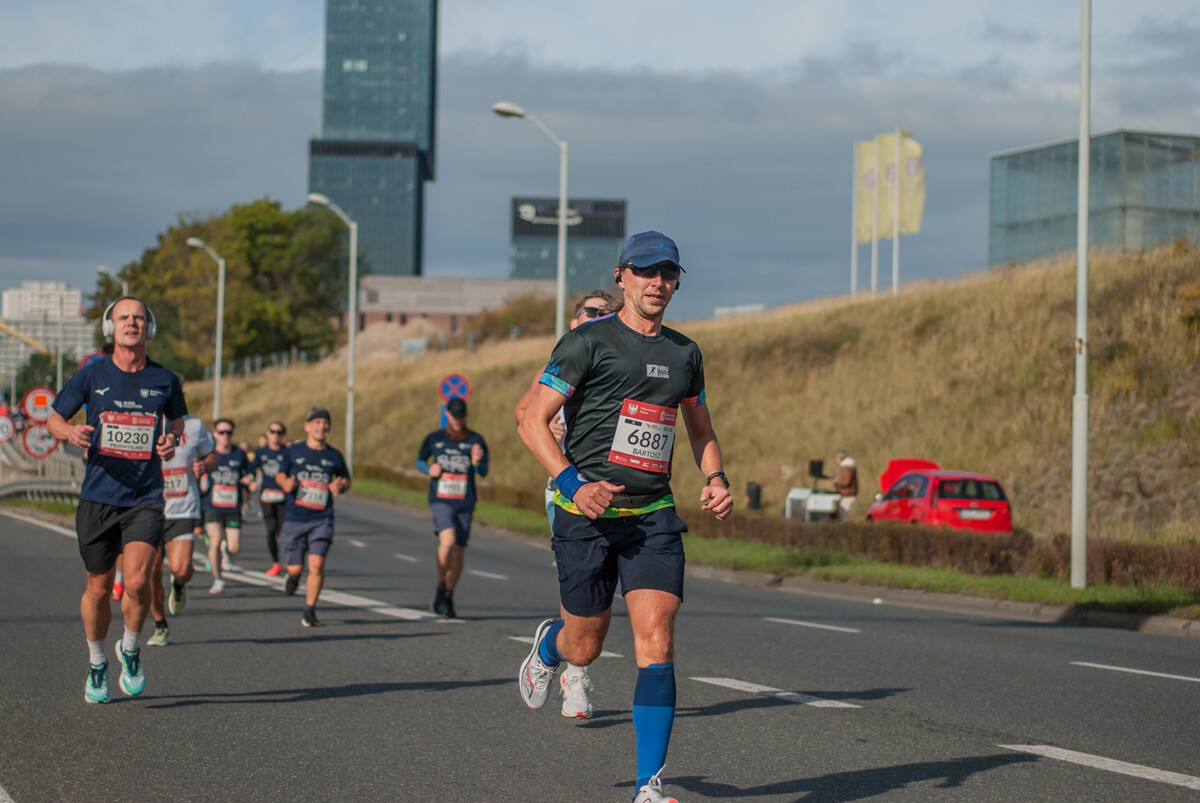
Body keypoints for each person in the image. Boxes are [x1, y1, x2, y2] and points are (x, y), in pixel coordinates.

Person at [516, 232, 733, 803]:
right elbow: (531, 421)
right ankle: (550, 648)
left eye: (668, 273)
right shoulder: (586, 342)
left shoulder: (686, 354)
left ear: (677, 282)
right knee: (584, 647)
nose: (657, 282)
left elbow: (701, 429)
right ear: (622, 277)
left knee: (656, 641)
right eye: (645, 271)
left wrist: (715, 478)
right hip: (584, 513)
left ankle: (648, 787)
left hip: (652, 516)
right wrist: (573, 482)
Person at [46, 296, 186, 703]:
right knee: (98, 587)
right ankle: (97, 662)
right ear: (111, 327)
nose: (131, 323)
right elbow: (54, 418)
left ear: (148, 328)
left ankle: (131, 648)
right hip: (98, 496)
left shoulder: (165, 379)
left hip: (145, 496)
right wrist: (69, 432)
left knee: (138, 581)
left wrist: (171, 439)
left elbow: (178, 420)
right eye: (123, 317)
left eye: (138, 317)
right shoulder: (92, 374)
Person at [513, 289, 616, 719]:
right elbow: (524, 413)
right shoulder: (558, 363)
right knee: (579, 578)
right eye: (592, 311)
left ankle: (568, 651)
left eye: (608, 312)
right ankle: (575, 677)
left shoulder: (619, 361)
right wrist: (552, 434)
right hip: (567, 488)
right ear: (575, 321)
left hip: (615, 490)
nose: (601, 316)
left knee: (603, 583)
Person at [275, 406, 351, 627]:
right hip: (295, 517)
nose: (321, 426)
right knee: (296, 568)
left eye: (325, 423)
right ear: (307, 426)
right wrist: (284, 482)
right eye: (317, 422)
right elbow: (280, 473)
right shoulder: (294, 451)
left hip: (322, 518)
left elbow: (346, 479)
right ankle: (293, 576)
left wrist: (340, 485)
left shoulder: (334, 455)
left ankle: (310, 610)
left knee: (317, 564)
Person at [147, 413, 218, 646]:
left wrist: (204, 466)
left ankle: (178, 585)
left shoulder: (194, 425)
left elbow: (212, 456)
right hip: (149, 507)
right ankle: (161, 626)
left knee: (182, 568)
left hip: (184, 507)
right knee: (151, 571)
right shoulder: (144, 419)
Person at [416, 396, 489, 619]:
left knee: (458, 551)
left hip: (465, 502)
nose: (458, 420)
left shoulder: (475, 440)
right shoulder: (434, 438)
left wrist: (477, 461)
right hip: (441, 500)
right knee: (447, 542)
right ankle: (440, 584)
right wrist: (428, 470)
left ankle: (448, 593)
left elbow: (483, 472)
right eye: (455, 416)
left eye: (461, 417)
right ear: (447, 414)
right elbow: (420, 460)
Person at [201, 418, 255, 594]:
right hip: (212, 505)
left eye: (229, 432)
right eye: (221, 432)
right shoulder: (209, 454)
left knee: (234, 548)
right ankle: (218, 579)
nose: (225, 435)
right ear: (215, 434)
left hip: (233, 507)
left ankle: (226, 550)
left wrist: (249, 479)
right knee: (215, 541)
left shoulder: (239, 454)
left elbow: (250, 473)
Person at [252, 421, 290, 576]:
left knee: (283, 531)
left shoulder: (287, 452)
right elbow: (251, 468)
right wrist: (251, 480)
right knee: (270, 529)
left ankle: (289, 562)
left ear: (283, 435)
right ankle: (276, 563)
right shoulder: (261, 452)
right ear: (268, 433)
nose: (275, 435)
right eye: (273, 431)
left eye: (279, 432)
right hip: (267, 496)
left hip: (283, 497)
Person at [833, 449, 858, 521]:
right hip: (847, 495)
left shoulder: (847, 467)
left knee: (844, 517)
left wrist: (837, 482)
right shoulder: (847, 467)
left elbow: (846, 481)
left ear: (839, 458)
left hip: (847, 495)